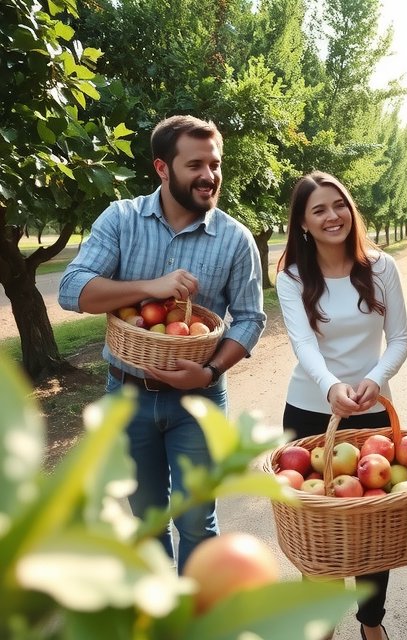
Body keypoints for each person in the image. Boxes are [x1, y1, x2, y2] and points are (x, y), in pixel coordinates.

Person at [58, 115, 266, 572]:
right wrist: (152, 287)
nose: (209, 175)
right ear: (162, 168)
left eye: (215, 164)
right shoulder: (122, 219)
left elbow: (251, 319)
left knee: (196, 522)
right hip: (128, 394)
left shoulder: (235, 238)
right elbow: (73, 290)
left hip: (200, 400)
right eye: (195, 164)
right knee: (146, 521)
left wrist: (210, 371)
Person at [276, 171, 407, 640]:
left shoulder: (380, 266)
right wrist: (333, 386)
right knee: (319, 526)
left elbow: (399, 339)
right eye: (318, 209)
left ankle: (371, 623)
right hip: (311, 412)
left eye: (339, 205)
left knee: (374, 525)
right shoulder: (292, 276)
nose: (332, 216)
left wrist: (374, 380)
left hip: (373, 410)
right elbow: (303, 345)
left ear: (351, 210)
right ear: (303, 224)